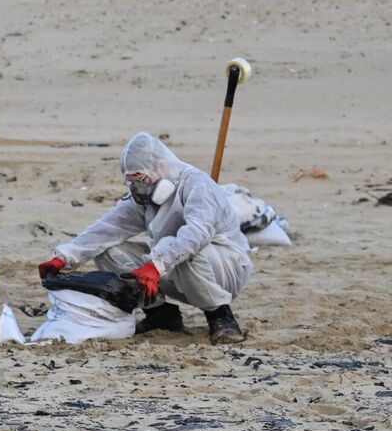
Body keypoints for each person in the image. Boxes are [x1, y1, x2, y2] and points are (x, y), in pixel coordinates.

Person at [39, 132, 250, 344]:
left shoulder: (197, 185)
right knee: (109, 251)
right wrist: (66, 256)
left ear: (160, 167)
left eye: (139, 179)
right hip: (168, 266)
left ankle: (220, 316)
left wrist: (157, 264)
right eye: (131, 182)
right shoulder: (145, 197)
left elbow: (197, 234)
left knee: (180, 247)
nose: (136, 188)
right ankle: (160, 314)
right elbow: (107, 229)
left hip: (225, 268)